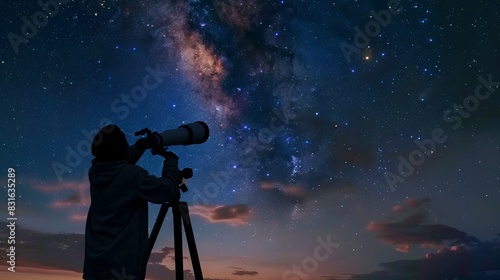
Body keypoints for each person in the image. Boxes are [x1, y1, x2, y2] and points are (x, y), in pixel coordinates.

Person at [83, 124, 181, 280]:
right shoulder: (134, 176)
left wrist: (141, 146)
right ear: (121, 148)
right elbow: (167, 190)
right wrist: (171, 164)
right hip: (123, 269)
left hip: (95, 267)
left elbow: (118, 163)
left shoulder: (95, 172)